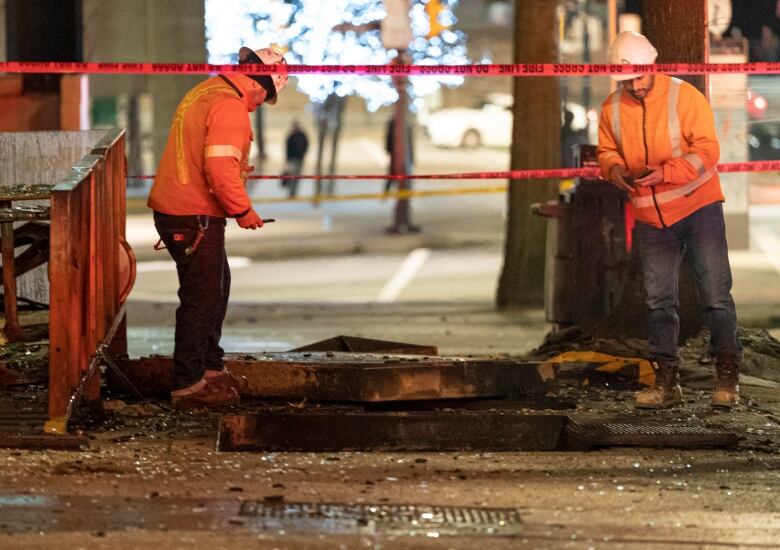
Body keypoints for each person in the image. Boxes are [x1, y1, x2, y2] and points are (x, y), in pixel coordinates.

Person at [597, 31, 741, 410]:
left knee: (715, 296)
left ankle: (727, 377)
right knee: (658, 302)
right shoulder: (611, 107)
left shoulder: (684, 96)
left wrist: (667, 173)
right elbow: (607, 151)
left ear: (653, 66)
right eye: (626, 79)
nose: (634, 85)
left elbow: (708, 150)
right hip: (650, 217)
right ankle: (666, 384)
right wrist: (614, 171)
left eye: (639, 76)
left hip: (699, 208)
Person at [147, 46, 288, 410]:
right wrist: (243, 209)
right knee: (203, 298)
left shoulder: (208, 90)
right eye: (264, 95)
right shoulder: (230, 106)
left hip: (184, 211)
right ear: (260, 83)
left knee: (215, 289)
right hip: (192, 214)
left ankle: (209, 367)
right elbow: (220, 167)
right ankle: (188, 384)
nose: (259, 103)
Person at [384, 116, 414, 194]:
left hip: (403, 156)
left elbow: (410, 142)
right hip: (396, 155)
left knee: (400, 176)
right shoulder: (396, 123)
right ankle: (387, 192)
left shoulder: (405, 123)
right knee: (393, 174)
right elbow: (388, 138)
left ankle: (389, 192)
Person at [282, 120, 309, 198]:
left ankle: (294, 193)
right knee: (291, 176)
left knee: (297, 176)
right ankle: (291, 193)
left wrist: (302, 155)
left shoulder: (302, 135)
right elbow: (287, 148)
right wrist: (287, 159)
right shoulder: (291, 136)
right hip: (292, 160)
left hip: (299, 159)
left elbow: (306, 145)